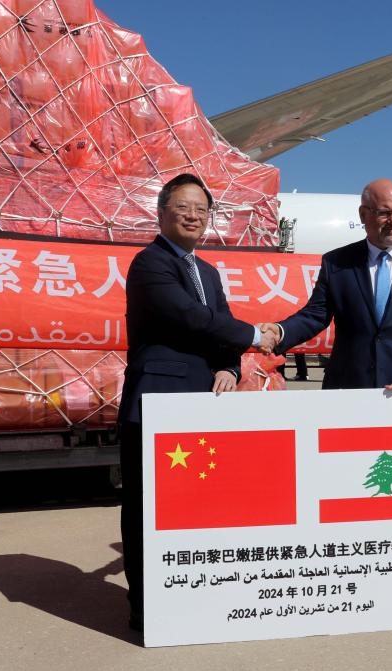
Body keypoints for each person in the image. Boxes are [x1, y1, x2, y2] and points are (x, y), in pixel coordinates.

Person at [117, 173, 275, 632]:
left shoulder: (207, 271)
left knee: (195, 505)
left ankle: (192, 601)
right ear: (161, 212)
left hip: (205, 403)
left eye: (202, 210)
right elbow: (190, 318)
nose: (193, 215)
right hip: (158, 404)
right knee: (147, 508)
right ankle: (146, 610)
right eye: (183, 207)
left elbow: (216, 323)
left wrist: (228, 366)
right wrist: (253, 335)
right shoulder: (150, 264)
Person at [262, 178, 392, 391]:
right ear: (363, 215)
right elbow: (315, 315)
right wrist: (280, 331)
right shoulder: (337, 263)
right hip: (349, 390)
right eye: (384, 213)